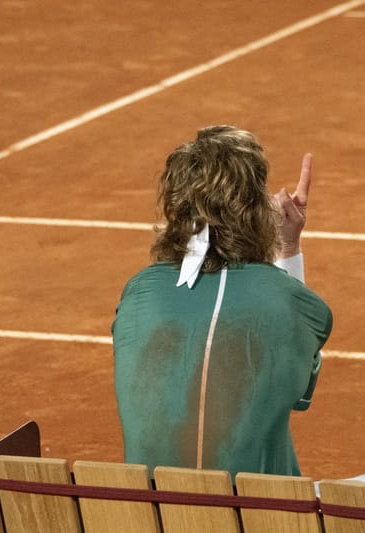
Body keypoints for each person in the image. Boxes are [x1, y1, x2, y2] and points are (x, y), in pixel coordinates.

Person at [112, 125, 333, 479]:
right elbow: (298, 396)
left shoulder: (139, 293)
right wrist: (287, 250)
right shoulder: (292, 304)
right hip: (258, 518)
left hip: (155, 517)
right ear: (255, 209)